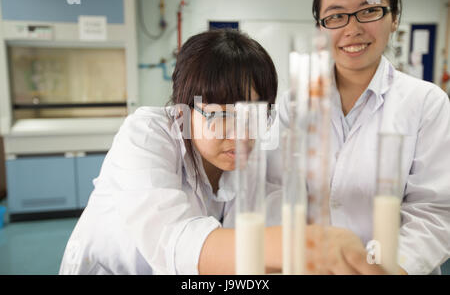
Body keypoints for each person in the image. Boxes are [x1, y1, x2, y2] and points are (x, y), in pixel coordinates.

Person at [59, 29, 385, 275]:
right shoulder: (146, 134)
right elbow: (176, 243)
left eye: (253, 115)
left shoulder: (250, 162)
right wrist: (303, 244)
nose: (240, 134)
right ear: (183, 110)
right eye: (219, 114)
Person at [277, 0, 450, 274]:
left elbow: (435, 210)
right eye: (336, 16)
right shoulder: (292, 103)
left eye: (369, 11)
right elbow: (275, 192)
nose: (352, 29)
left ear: (394, 18)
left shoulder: (427, 103)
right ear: (320, 27)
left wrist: (384, 267)